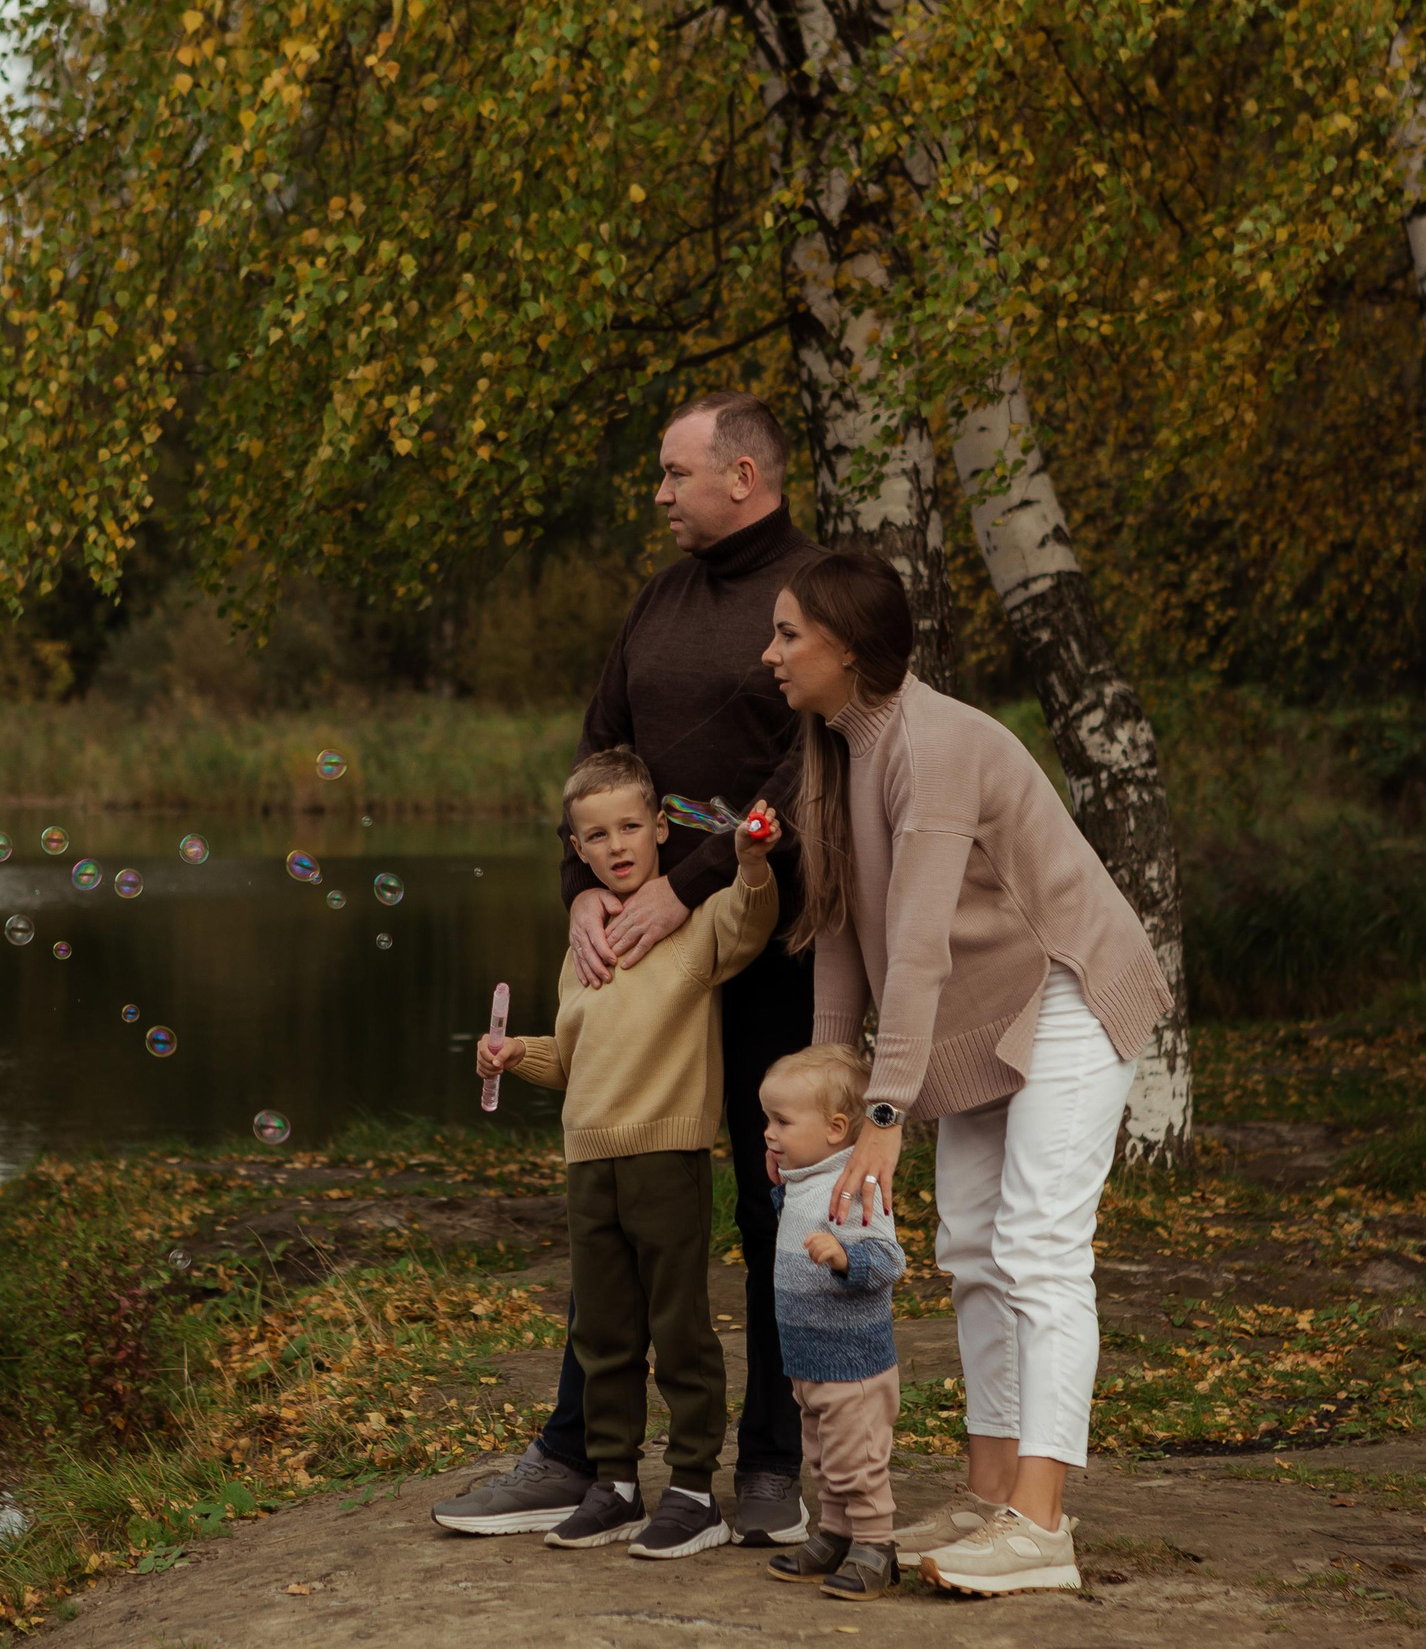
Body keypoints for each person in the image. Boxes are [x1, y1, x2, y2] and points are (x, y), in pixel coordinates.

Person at [434, 391, 820, 1546]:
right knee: (610, 1202)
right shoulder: (658, 599)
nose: (658, 493)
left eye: (673, 472)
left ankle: (761, 1463)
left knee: (763, 1200)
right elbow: (595, 758)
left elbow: (807, 771)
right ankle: (580, 1456)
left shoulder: (809, 595)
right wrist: (581, 906)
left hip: (762, 941)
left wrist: (681, 886)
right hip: (635, 952)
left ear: (742, 476)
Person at [760, 548, 1172, 1596]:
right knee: (970, 1246)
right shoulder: (843, 753)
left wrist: (887, 1111)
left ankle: (1040, 1525)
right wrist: (835, 1095)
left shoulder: (935, 745)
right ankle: (992, 1496)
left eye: (787, 634)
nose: (769, 654)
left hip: (1067, 988)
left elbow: (924, 940)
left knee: (1038, 1245)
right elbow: (848, 945)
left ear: (847, 649)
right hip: (987, 1020)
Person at [475, 749, 779, 1559]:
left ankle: (691, 1489)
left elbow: (750, 919)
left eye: (631, 827)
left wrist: (748, 860)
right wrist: (516, 1057)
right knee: (603, 1332)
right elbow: (575, 1058)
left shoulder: (691, 923)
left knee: (679, 1326)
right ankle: (612, 1482)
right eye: (597, 834)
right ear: (577, 850)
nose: (616, 844)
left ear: (660, 828)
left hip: (667, 1156)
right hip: (589, 1165)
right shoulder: (583, 949)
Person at [755, 1044, 907, 1601]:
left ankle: (875, 1544)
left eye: (782, 1121)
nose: (769, 1132)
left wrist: (847, 1259)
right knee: (822, 1457)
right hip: (808, 1359)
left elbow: (890, 1261)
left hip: (852, 1364)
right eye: (767, 1119)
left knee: (858, 1460)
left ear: (836, 1127)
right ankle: (836, 1534)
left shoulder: (857, 1185)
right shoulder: (804, 1181)